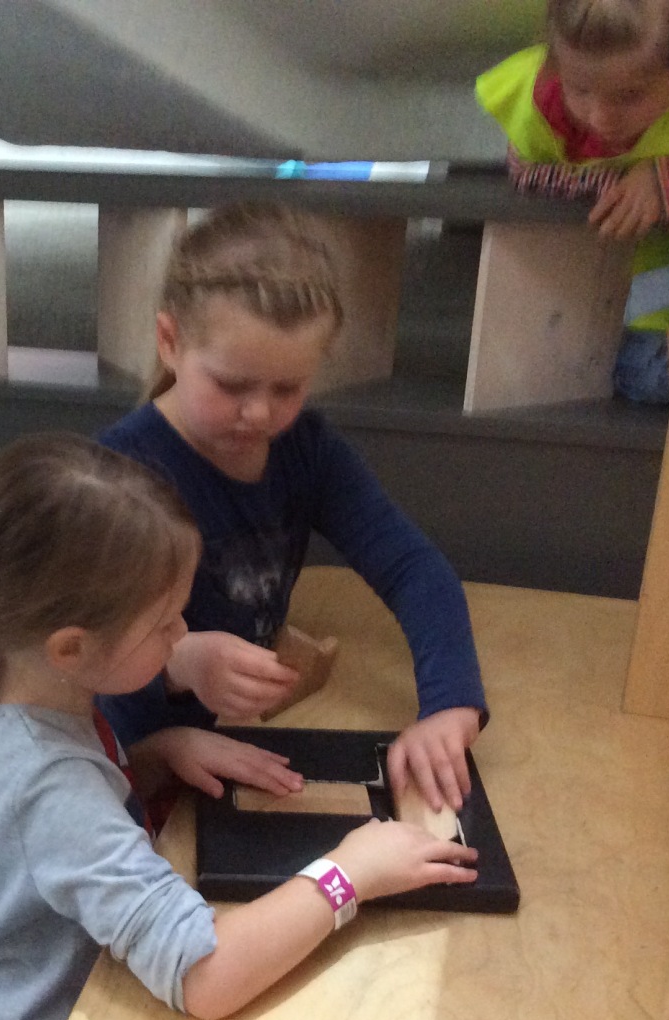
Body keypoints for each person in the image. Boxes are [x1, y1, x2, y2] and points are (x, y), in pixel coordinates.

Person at [0, 432, 478, 1020]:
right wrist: (347, 874)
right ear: (71, 647)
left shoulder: (15, 683)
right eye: (162, 622)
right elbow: (206, 976)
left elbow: (60, 838)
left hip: (112, 1017)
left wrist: (156, 755)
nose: (181, 635)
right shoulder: (46, 788)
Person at [98, 202, 488, 818]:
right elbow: (80, 647)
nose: (259, 413)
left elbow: (413, 568)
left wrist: (450, 704)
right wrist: (179, 664)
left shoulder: (306, 449)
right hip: (133, 757)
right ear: (169, 342)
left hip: (240, 733)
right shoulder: (120, 474)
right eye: (231, 385)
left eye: (287, 388)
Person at [477, 0, 669, 405]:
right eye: (579, 89)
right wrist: (620, 187)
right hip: (603, 291)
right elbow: (526, 172)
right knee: (642, 373)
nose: (600, 117)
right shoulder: (545, 100)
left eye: (630, 96)